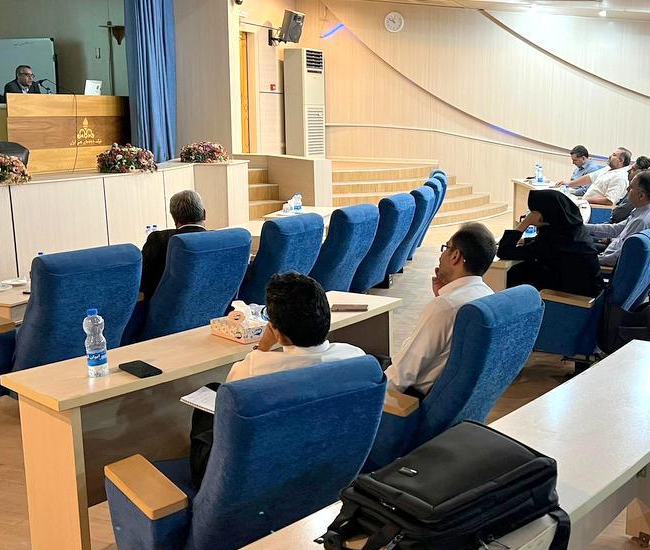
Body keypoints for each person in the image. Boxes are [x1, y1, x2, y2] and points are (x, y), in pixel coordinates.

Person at [189, 272, 366, 486]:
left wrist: (262, 347)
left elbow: (232, 401)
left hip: (259, 474)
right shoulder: (356, 357)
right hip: (328, 460)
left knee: (211, 401)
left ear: (277, 332)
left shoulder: (253, 371)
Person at [385, 223, 497, 396]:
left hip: (411, 399)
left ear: (456, 256)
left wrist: (370, 397)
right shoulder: (489, 296)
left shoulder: (446, 307)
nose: (441, 255)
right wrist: (441, 297)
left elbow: (402, 375)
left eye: (446, 248)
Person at [498, 189, 601, 296]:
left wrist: (525, 223)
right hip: (587, 288)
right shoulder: (573, 228)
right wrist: (528, 241)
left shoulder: (552, 241)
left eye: (534, 212)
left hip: (575, 298)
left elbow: (504, 251)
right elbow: (548, 246)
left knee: (515, 274)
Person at [587, 170, 650, 266]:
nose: (627, 189)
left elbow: (617, 257)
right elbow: (615, 229)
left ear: (641, 195)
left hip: (606, 262)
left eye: (631, 187)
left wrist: (590, 260)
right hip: (609, 251)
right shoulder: (642, 210)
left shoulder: (641, 221)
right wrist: (582, 227)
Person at [140, 190, 208, 298]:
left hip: (166, 306)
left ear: (174, 218)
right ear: (204, 214)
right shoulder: (223, 240)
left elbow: (142, 281)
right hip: (216, 305)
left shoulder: (158, 240)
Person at [557, 147, 631, 203]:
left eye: (614, 155)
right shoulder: (608, 168)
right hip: (586, 202)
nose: (610, 156)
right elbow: (589, 178)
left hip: (595, 208)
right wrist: (568, 183)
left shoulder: (620, 177)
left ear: (620, 160)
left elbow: (609, 200)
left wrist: (583, 200)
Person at [607, 156, 650, 223]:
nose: (628, 171)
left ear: (642, 173)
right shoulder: (633, 188)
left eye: (633, 169)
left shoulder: (638, 193)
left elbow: (617, 214)